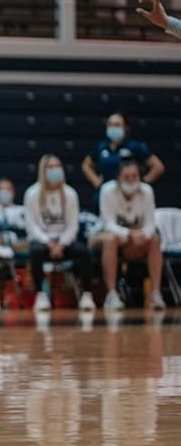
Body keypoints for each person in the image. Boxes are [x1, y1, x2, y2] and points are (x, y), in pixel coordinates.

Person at [23, 154, 95, 314]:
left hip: (64, 241)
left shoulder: (70, 194)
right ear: (43, 170)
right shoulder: (32, 194)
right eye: (51, 167)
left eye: (58, 166)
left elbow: (73, 226)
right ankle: (40, 295)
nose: (55, 170)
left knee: (84, 253)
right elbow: (31, 226)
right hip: (42, 240)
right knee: (35, 252)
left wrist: (61, 244)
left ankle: (86, 295)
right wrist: (48, 243)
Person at [90, 159, 165, 312]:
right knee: (111, 239)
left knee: (155, 239)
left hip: (133, 239)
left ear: (140, 177)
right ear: (118, 177)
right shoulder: (107, 190)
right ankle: (111, 295)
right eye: (126, 176)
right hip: (102, 236)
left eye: (134, 176)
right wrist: (130, 233)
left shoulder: (147, 191)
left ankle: (156, 294)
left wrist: (142, 235)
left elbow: (151, 223)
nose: (131, 180)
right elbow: (108, 223)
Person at [81, 112, 164, 206]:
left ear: (126, 127)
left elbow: (158, 166)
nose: (113, 128)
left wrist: (142, 183)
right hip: (106, 195)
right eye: (110, 125)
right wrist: (97, 182)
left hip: (130, 195)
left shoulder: (135, 147)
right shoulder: (101, 147)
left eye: (117, 125)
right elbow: (86, 165)